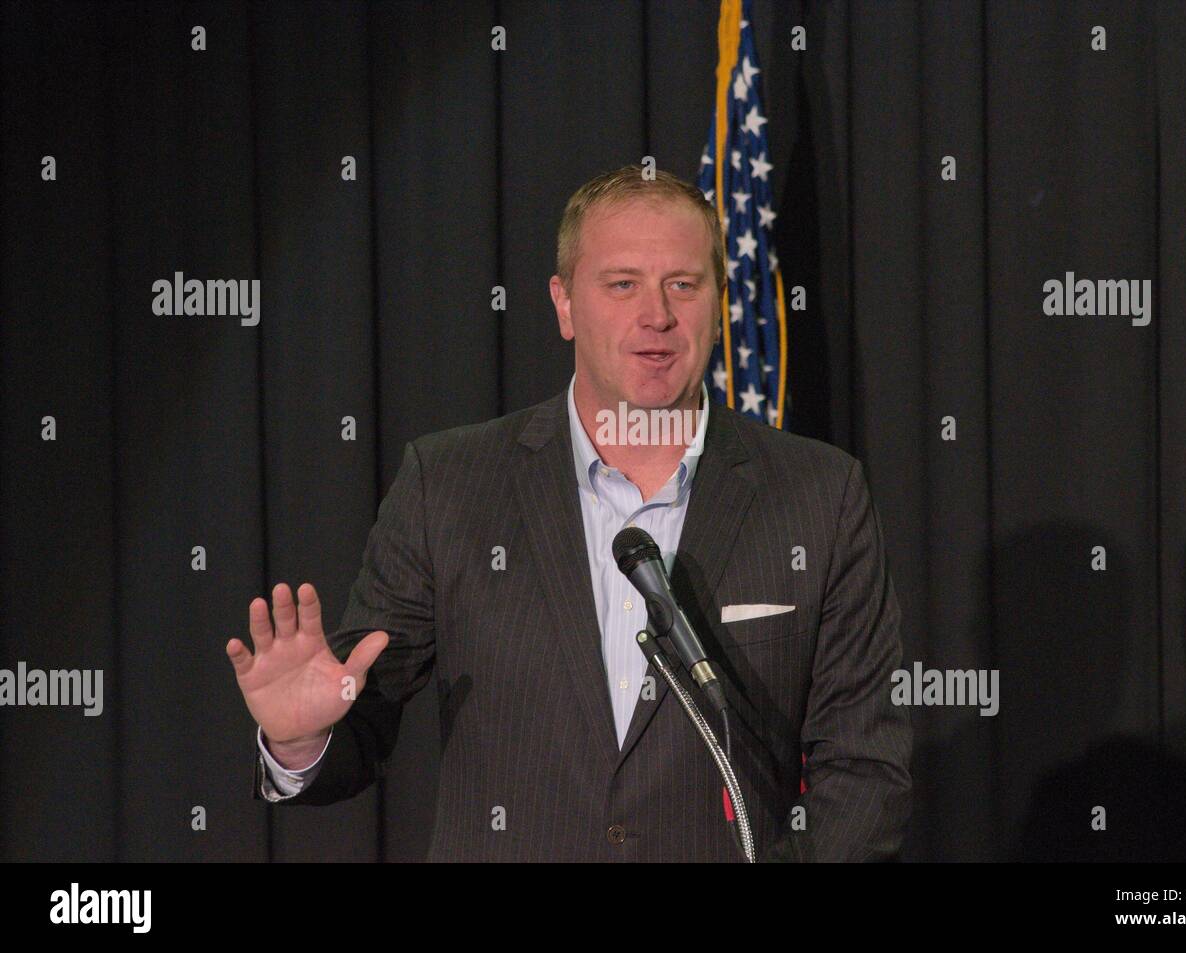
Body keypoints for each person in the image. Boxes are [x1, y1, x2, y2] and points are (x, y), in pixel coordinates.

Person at [225, 165, 911, 861]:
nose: (658, 315)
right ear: (563, 304)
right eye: (622, 284)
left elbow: (864, 776)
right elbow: (362, 725)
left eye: (683, 283)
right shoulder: (450, 484)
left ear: (719, 303)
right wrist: (301, 738)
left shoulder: (820, 494)